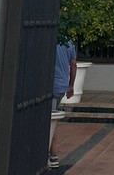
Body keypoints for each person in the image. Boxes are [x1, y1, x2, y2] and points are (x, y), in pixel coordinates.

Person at [49, 40, 77, 170]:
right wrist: (71, 85)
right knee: (53, 119)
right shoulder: (68, 43)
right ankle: (52, 154)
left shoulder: (50, 39)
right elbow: (73, 65)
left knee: (50, 121)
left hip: (51, 85)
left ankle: (52, 155)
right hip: (61, 85)